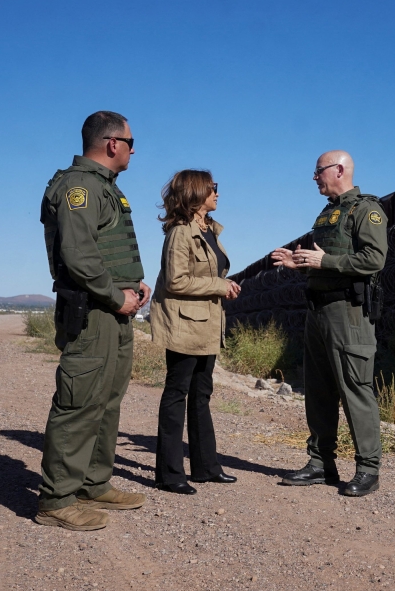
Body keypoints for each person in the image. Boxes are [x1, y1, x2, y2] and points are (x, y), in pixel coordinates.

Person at [36, 111, 152, 530]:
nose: (134, 149)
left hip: (113, 310)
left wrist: (134, 284)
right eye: (130, 142)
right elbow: (79, 256)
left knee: (107, 400)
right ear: (111, 144)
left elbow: (105, 249)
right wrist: (113, 294)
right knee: (79, 403)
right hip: (92, 311)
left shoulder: (104, 187)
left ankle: (92, 483)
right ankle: (56, 499)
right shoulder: (80, 186)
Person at [270, 150, 388, 497]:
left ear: (338, 170)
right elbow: (324, 262)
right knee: (318, 392)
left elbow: (374, 259)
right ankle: (321, 463)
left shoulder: (366, 210)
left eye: (318, 171)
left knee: (355, 389)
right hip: (318, 311)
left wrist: (325, 260)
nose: (314, 177)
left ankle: (368, 469)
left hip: (348, 314)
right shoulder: (327, 213)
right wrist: (300, 263)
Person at [149, 170, 242, 494]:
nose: (217, 193)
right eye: (212, 188)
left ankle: (205, 467)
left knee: (202, 395)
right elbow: (176, 280)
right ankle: (170, 474)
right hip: (185, 326)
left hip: (207, 327)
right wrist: (219, 285)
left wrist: (223, 286)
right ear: (196, 193)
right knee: (176, 395)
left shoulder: (209, 231)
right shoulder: (180, 233)